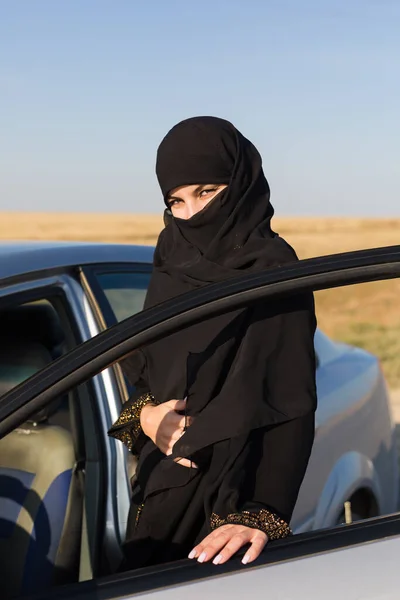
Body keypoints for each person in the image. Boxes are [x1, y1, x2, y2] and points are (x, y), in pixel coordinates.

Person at [108, 116, 317, 570]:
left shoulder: (273, 269)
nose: (190, 214)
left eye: (206, 192)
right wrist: (144, 417)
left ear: (239, 183)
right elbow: (145, 369)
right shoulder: (170, 257)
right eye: (175, 201)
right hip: (158, 492)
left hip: (226, 506)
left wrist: (261, 515)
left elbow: (289, 401)